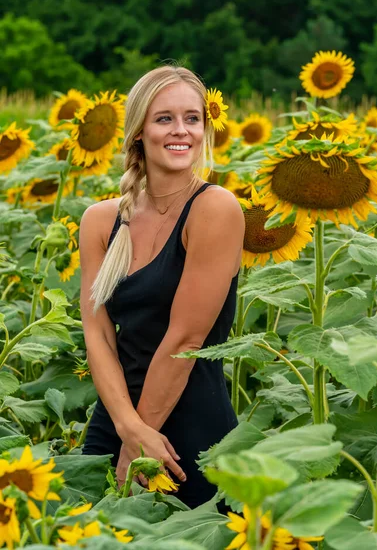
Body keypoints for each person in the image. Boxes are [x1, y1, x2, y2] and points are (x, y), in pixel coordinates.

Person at [79, 65, 245, 509]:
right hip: (116, 421)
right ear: (138, 132)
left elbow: (185, 340)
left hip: (190, 431)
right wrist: (128, 430)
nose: (182, 131)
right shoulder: (100, 220)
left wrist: (138, 446)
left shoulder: (215, 209)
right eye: (164, 118)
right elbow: (96, 334)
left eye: (192, 119)